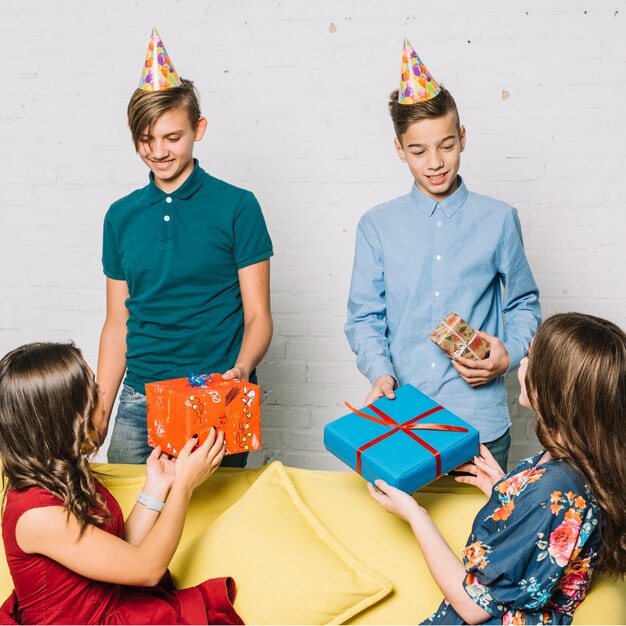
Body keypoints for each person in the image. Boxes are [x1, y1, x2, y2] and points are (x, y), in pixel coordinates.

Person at [345, 39, 540, 471]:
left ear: (463, 138)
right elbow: (364, 318)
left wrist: (507, 354)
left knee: (482, 537)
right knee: (399, 533)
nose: (435, 162)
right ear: (399, 149)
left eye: (446, 146)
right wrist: (381, 372)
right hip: (401, 419)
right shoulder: (376, 225)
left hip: (479, 426)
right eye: (418, 151)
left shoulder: (499, 219)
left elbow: (523, 302)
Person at [368, 312, 626, 624]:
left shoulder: (556, 484)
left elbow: (473, 607)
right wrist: (505, 489)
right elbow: (545, 528)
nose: (522, 364)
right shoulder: (570, 463)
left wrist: (415, 514)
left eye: (530, 356)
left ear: (552, 388)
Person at [97, 28, 273, 466]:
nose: (158, 151)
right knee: (125, 519)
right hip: (141, 397)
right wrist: (101, 410)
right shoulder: (120, 216)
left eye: (172, 137)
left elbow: (258, 316)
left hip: (218, 393)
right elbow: (117, 322)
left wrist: (243, 368)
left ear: (199, 129)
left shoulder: (237, 206)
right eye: (146, 139)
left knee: (215, 524)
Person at [0, 342, 244, 625]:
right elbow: (148, 569)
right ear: (63, 415)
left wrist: (157, 485)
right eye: (90, 390)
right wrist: (184, 487)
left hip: (112, 609)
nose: (101, 391)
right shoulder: (38, 513)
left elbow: (122, 552)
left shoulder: (61, 471)